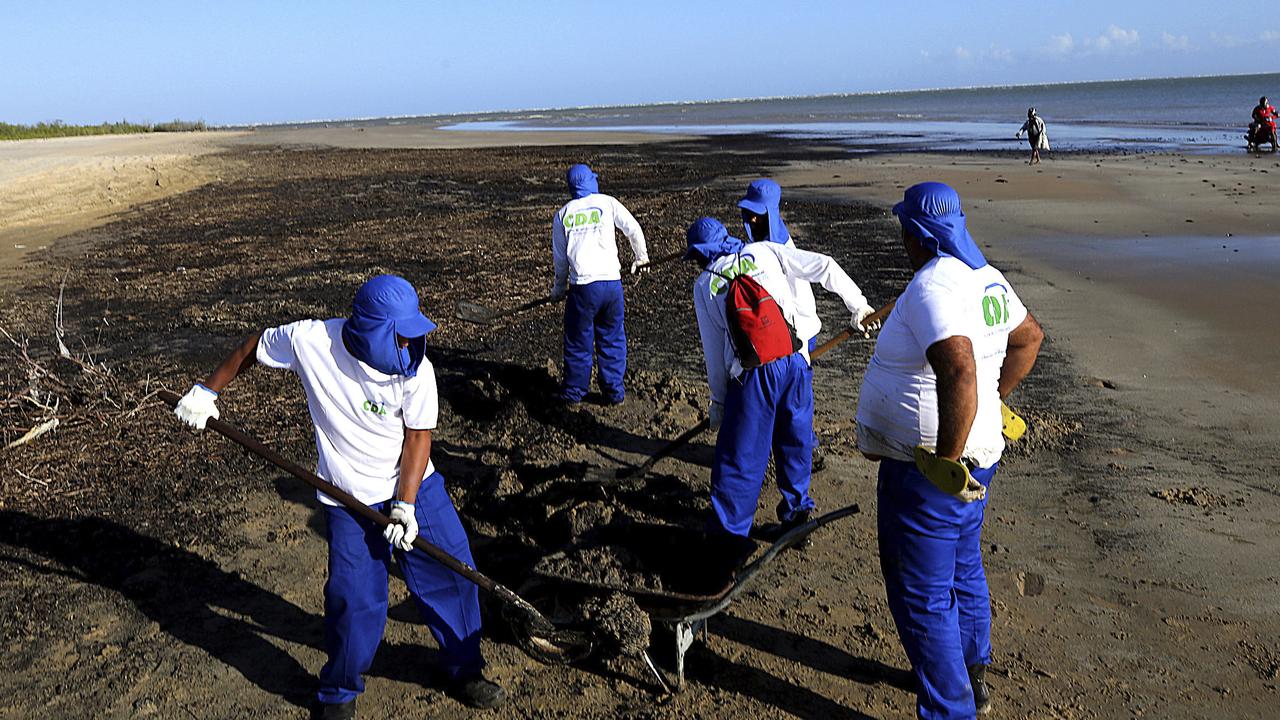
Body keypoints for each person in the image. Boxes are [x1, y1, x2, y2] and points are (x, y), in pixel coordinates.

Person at [172, 275, 506, 718]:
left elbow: (418, 437)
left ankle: (464, 669)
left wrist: (405, 504)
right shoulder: (312, 341)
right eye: (400, 337)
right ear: (372, 330)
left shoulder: (417, 368)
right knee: (355, 602)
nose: (409, 347)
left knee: (454, 573)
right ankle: (339, 695)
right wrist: (207, 390)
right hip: (348, 499)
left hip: (415, 487)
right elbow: (254, 346)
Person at [855, 182, 1043, 719]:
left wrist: (945, 457)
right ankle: (972, 669)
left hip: (931, 471)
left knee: (922, 593)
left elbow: (958, 369)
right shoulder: (988, 280)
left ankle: (949, 708)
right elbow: (1028, 337)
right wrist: (994, 403)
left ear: (917, 235)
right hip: (980, 455)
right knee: (962, 565)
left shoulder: (934, 285)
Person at [685, 217, 876, 541]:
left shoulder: (705, 284)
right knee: (795, 440)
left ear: (701, 255)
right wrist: (859, 306)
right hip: (795, 361)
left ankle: (728, 536)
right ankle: (796, 518)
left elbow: (714, 354)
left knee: (741, 456)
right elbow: (825, 266)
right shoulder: (764, 252)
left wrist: (719, 401)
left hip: (753, 375)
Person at [738, 178, 831, 471]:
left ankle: (807, 453)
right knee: (789, 401)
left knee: (794, 404)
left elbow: (822, 271)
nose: (750, 219)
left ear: (769, 213)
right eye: (748, 213)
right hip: (781, 332)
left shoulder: (781, 248)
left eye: (756, 214)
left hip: (796, 333)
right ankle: (794, 449)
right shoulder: (760, 242)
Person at [550, 163, 648, 405]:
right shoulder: (608, 203)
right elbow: (633, 229)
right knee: (612, 337)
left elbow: (561, 260)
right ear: (591, 182)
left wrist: (559, 289)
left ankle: (574, 393)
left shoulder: (563, 214)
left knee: (578, 340)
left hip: (583, 288)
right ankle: (614, 392)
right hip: (611, 285)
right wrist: (641, 257)